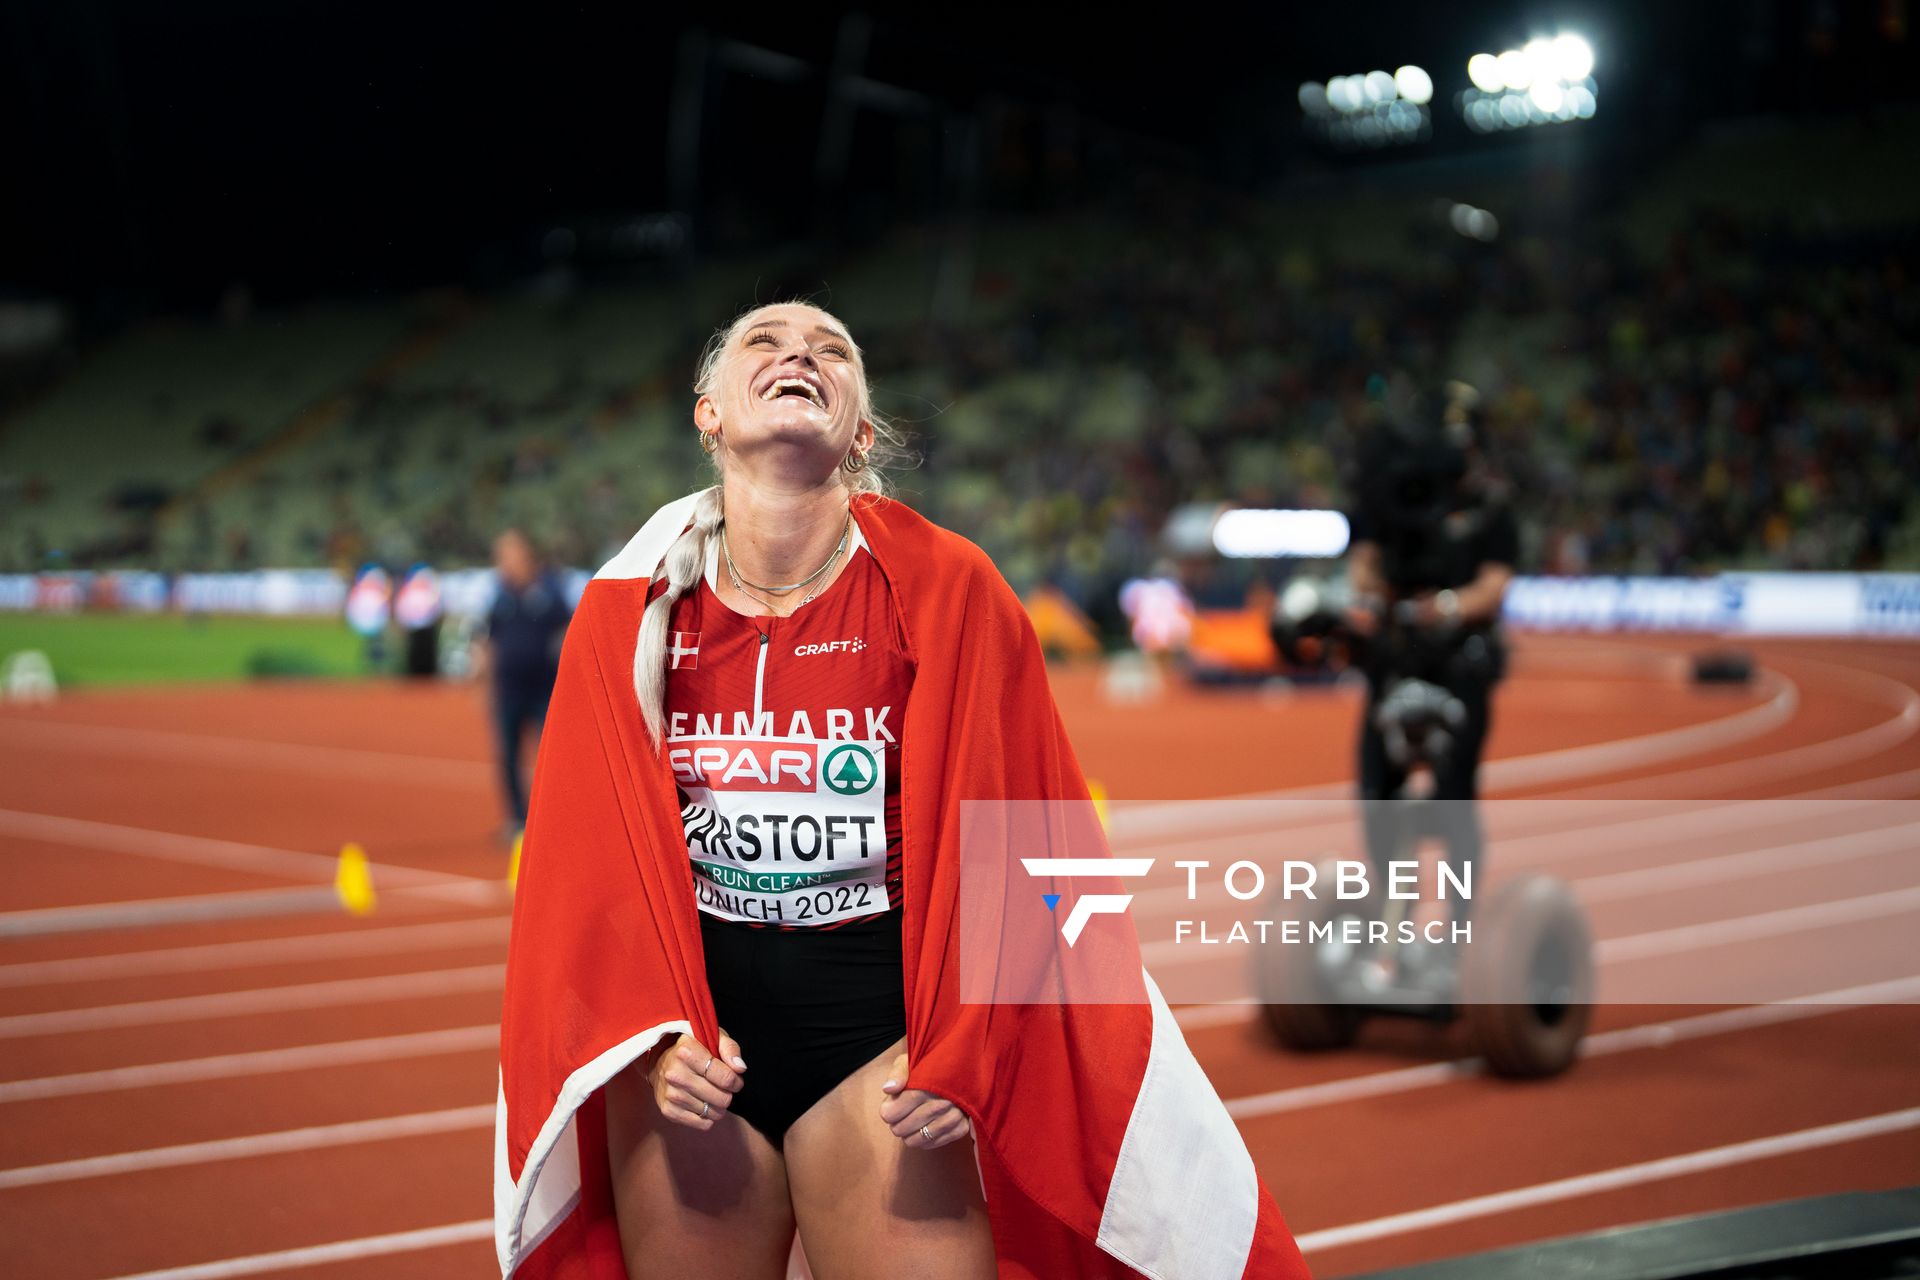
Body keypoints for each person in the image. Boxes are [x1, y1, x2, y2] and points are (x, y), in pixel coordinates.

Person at [494, 302, 1311, 1279]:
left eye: (830, 349)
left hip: (878, 1044)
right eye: (765, 341)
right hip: (696, 1055)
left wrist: (972, 1041)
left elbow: (1027, 835)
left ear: (861, 432)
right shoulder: (629, 615)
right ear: (708, 413)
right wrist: (654, 1032)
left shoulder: (949, 589)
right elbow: (591, 865)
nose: (799, 351)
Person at [1343, 385, 1517, 922]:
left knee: (1455, 794)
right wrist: (1380, 599)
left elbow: (1494, 587)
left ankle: (1459, 922)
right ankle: (1389, 907)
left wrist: (1441, 608)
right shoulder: (1390, 496)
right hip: (1395, 658)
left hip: (1460, 662)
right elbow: (1363, 565)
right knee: (1376, 788)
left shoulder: (1490, 508)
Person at [472, 528, 572, 841]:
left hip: (545, 690)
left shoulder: (551, 590)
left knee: (552, 757)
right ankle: (517, 820)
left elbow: (571, 631)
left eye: (509, 554)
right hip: (508, 690)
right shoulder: (499, 595)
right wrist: (484, 685)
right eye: (500, 556)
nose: (504, 562)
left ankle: (555, 822)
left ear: (526, 554)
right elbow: (487, 641)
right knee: (509, 757)